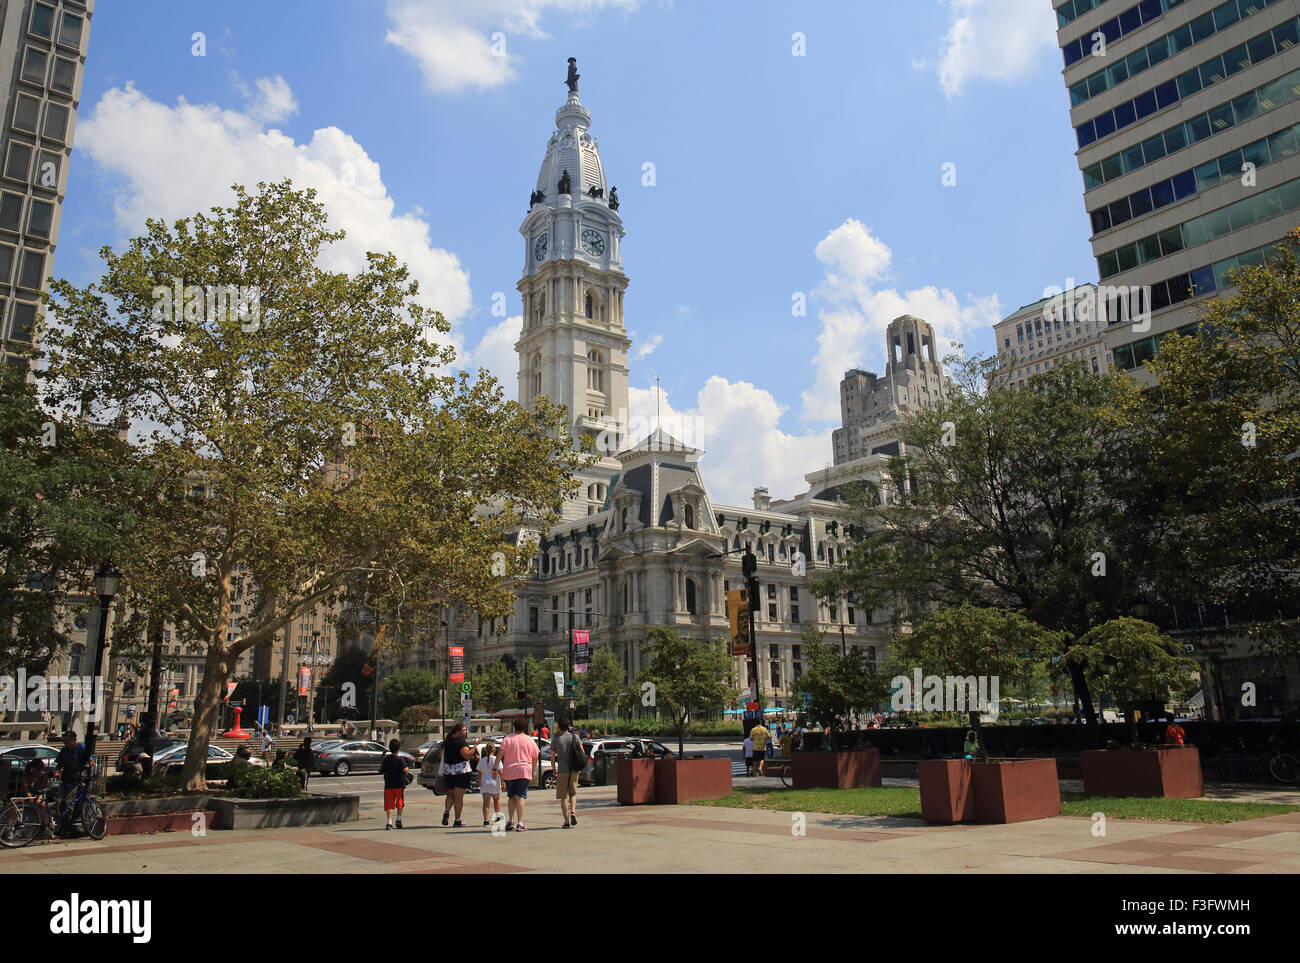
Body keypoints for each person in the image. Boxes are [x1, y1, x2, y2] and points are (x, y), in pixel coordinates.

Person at [501, 716, 540, 832]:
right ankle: (520, 822)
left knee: (511, 796)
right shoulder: (529, 740)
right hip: (524, 770)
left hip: (509, 770)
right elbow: (535, 756)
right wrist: (532, 771)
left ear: (514, 726)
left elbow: (501, 753)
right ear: (525, 727)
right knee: (520, 796)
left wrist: (495, 767)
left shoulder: (507, 738)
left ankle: (511, 820)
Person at [439, 722, 475, 827]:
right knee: (459, 797)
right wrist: (475, 746)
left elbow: (440, 756)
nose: (465, 732)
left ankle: (446, 811)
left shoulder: (446, 741)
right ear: (458, 731)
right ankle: (457, 820)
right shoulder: (460, 742)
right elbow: (467, 755)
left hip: (449, 771)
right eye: (464, 730)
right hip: (461, 772)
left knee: (450, 794)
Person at [551, 718, 583, 828]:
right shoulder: (575, 737)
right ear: (569, 726)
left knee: (563, 796)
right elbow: (582, 752)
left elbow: (552, 756)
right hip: (574, 769)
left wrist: (553, 769)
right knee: (573, 793)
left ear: (558, 727)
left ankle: (566, 820)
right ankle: (573, 811)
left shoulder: (556, 739)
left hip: (562, 769)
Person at [379, 738, 409, 830]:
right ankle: (398, 820)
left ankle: (389, 822)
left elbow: (382, 770)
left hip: (388, 785)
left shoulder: (386, 759)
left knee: (389, 804)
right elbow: (406, 769)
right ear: (398, 749)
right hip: (399, 785)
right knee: (400, 802)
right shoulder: (400, 759)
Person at [477, 741, 504, 826]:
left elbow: (479, 772)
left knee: (486, 803)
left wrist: (479, 781)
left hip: (485, 783)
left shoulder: (482, 760)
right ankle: (498, 818)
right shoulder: (497, 760)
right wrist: (503, 782)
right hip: (495, 783)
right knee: (496, 801)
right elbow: (501, 772)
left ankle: (486, 820)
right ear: (494, 750)